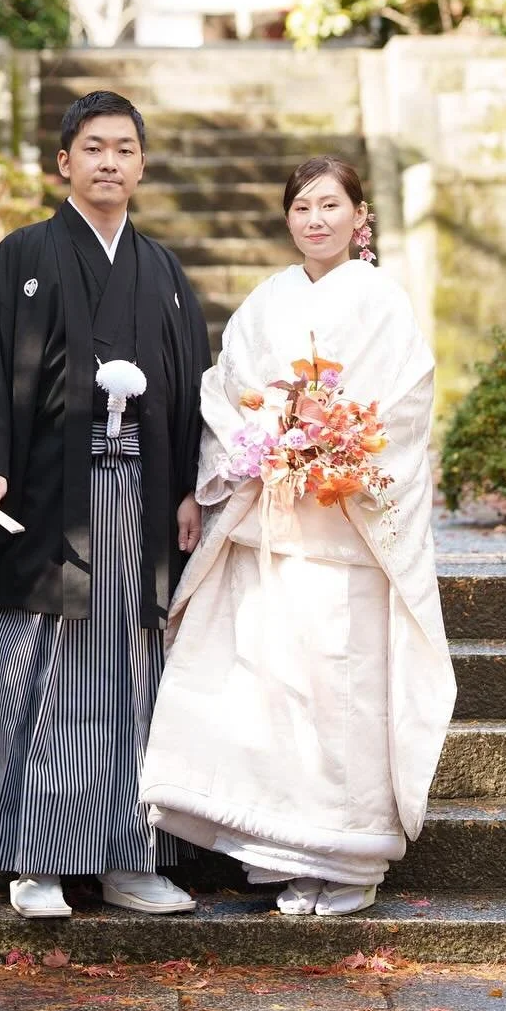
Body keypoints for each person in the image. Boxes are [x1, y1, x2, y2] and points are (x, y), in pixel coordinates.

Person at [139, 156, 455, 917]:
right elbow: (226, 390)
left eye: (330, 205)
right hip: (272, 521)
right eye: (302, 207)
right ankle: (287, 854)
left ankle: (351, 862)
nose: (315, 219)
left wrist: (335, 449)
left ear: (359, 216)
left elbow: (403, 410)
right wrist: (266, 447)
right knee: (273, 691)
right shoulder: (266, 301)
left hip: (346, 529)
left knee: (340, 692)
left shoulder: (382, 301)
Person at [0, 90, 211, 920]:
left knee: (137, 669)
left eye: (125, 148)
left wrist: (193, 488)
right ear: (64, 162)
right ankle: (35, 856)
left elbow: (194, 387)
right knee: (44, 665)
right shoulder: (23, 258)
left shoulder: (161, 272)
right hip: (51, 501)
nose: (110, 162)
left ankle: (133, 857)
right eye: (93, 148)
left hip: (144, 500)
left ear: (142, 164)